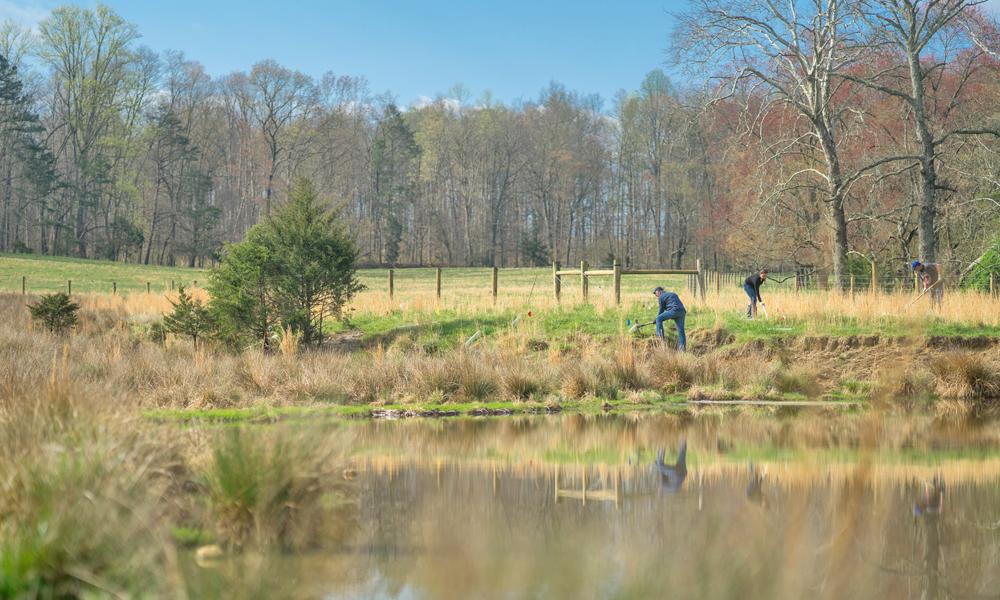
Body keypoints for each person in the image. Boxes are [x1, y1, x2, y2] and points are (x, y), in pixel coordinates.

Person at [652, 286, 686, 351]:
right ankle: (682, 350)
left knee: (659, 318)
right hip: (682, 312)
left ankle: (659, 337)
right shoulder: (673, 294)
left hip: (674, 310)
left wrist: (656, 320)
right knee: (681, 331)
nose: (656, 295)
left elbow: (661, 310)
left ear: (659, 291)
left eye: (655, 293)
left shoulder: (661, 297)